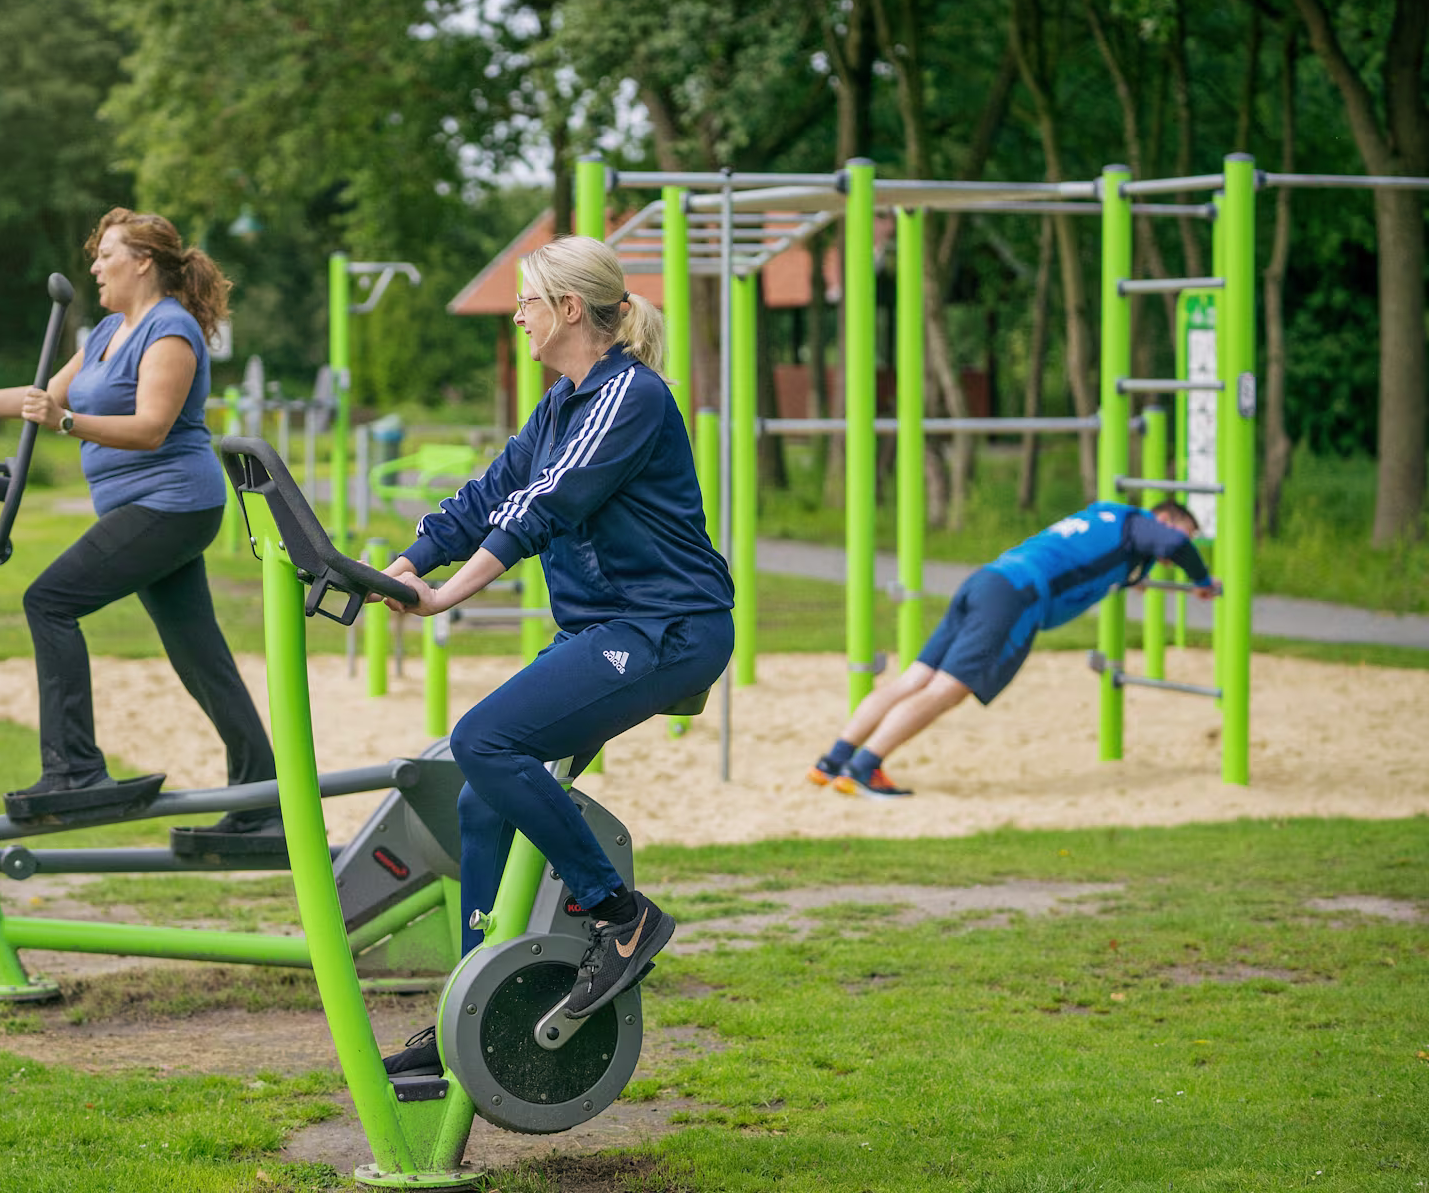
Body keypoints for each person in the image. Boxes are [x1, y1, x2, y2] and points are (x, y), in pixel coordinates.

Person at [373, 235, 734, 1076]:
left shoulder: (627, 397)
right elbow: (488, 493)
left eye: (527, 300)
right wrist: (403, 567)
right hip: (604, 629)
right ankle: (478, 1002)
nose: (518, 315)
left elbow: (547, 503)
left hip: (665, 627)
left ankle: (621, 914)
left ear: (571, 309)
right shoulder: (561, 402)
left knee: (487, 741)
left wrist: (446, 596)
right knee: (480, 803)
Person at [0, 208, 280, 852]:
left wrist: (65, 424)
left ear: (142, 261)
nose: (94, 266)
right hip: (145, 508)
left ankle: (75, 769)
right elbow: (41, 397)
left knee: (49, 601)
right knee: (199, 653)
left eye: (105, 254)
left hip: (172, 504)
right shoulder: (111, 328)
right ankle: (264, 805)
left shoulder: (170, 330)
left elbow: (150, 427)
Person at [809, 498, 1220, 798]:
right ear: (1165, 517)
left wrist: (1136, 574)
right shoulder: (1139, 523)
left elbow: (1100, 561)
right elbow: (1173, 545)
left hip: (990, 577)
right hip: (1018, 594)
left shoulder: (1104, 518)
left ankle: (832, 761)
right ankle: (864, 767)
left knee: (915, 678)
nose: (1186, 543)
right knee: (947, 690)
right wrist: (1202, 580)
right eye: (1187, 530)